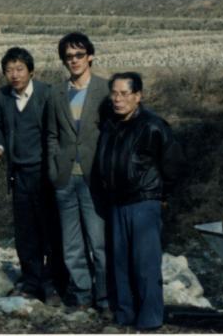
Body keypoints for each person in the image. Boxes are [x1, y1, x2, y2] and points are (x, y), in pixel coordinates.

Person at [95, 72, 183, 331]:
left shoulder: (153, 125)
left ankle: (150, 320)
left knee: (145, 264)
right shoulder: (110, 125)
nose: (117, 99)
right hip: (116, 203)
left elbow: (173, 166)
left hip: (144, 202)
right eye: (114, 93)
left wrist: (161, 196)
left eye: (124, 94)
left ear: (137, 96)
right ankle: (125, 315)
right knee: (120, 264)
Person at [0, 46, 63, 304]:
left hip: (45, 174)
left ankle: (52, 284)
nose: (14, 75)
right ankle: (31, 281)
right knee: (26, 232)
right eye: (9, 70)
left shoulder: (47, 95)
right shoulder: (4, 97)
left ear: (31, 70)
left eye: (19, 69)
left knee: (50, 230)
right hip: (18, 175)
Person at [45, 33, 112, 313]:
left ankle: (106, 297)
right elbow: (51, 135)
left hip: (94, 177)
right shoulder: (56, 93)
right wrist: (54, 167)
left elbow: (113, 135)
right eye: (68, 57)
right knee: (71, 244)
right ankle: (82, 294)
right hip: (64, 179)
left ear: (90, 57)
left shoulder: (106, 90)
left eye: (79, 55)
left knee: (99, 243)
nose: (74, 61)